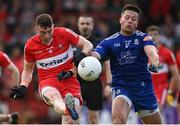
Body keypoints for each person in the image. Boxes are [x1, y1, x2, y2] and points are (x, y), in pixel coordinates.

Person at [9, 14, 93, 124]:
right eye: (43, 32)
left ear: (53, 26)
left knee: (71, 121)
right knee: (55, 99)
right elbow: (28, 70)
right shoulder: (30, 46)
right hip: (48, 82)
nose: (47, 35)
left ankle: (69, 108)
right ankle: (67, 108)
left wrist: (83, 54)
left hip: (69, 79)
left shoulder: (64, 33)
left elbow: (88, 44)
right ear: (36, 29)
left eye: (50, 31)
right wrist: (23, 85)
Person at [91, 4, 162, 124]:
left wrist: (154, 63)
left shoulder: (144, 38)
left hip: (143, 88)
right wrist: (88, 59)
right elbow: (96, 55)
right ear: (120, 19)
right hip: (121, 87)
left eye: (133, 19)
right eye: (127, 17)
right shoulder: (109, 42)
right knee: (118, 120)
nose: (130, 21)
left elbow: (153, 53)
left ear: (137, 23)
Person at [74, 16, 103, 124]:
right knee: (75, 117)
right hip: (75, 84)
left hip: (94, 84)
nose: (85, 26)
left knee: (94, 119)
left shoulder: (100, 43)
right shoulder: (72, 43)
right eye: (82, 23)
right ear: (78, 26)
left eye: (87, 23)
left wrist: (109, 84)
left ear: (92, 26)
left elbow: (107, 63)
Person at [146, 25, 180, 107]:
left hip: (161, 88)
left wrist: (174, 93)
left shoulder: (167, 53)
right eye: (150, 34)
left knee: (157, 107)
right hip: (148, 88)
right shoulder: (143, 54)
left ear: (160, 37)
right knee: (147, 114)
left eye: (156, 34)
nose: (153, 37)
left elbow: (175, 75)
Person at [0, 51, 20, 123]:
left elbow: (15, 70)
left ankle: (8, 118)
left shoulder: (1, 56)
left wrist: (16, 88)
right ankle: (8, 118)